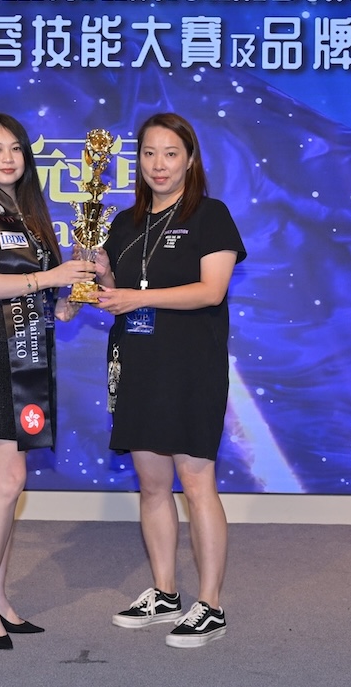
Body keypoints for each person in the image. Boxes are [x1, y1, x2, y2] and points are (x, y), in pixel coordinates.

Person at [0, 112, 96, 650]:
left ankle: (0, 598)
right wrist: (50, 276)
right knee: (5, 482)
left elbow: (45, 301)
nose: (8, 158)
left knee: (13, 483)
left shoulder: (30, 215)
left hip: (28, 357)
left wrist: (73, 295)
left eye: (15, 148)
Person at [94, 112, 247, 648]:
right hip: (138, 364)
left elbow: (211, 290)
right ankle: (164, 592)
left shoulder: (210, 215)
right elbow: (116, 289)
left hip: (190, 367)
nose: (158, 164)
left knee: (197, 483)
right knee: (153, 485)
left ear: (190, 160)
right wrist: (99, 274)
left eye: (170, 153)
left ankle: (211, 604)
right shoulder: (124, 222)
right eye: (149, 153)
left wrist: (136, 296)